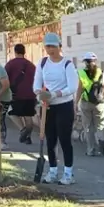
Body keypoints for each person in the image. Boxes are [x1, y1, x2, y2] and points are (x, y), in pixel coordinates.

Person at [32, 32, 78, 185]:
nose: (50, 50)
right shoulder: (43, 63)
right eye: (47, 46)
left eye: (53, 46)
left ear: (59, 46)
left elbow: (73, 87)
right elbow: (36, 83)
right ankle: (52, 171)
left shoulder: (67, 64)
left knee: (64, 140)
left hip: (64, 106)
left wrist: (56, 94)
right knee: (50, 140)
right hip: (47, 107)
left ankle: (68, 173)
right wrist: (40, 94)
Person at [76, 52, 104, 156]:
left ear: (85, 62)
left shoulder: (81, 73)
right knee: (100, 125)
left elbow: (80, 90)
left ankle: (91, 150)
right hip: (99, 103)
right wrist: (103, 98)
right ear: (95, 61)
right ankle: (101, 141)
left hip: (86, 103)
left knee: (88, 127)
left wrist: (75, 103)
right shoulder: (102, 72)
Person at [5, 43, 37, 144]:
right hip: (31, 95)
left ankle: (23, 130)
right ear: (24, 52)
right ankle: (28, 136)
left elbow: (5, 78)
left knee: (12, 113)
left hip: (17, 95)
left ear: (15, 52)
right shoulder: (31, 65)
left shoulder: (10, 64)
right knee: (28, 116)